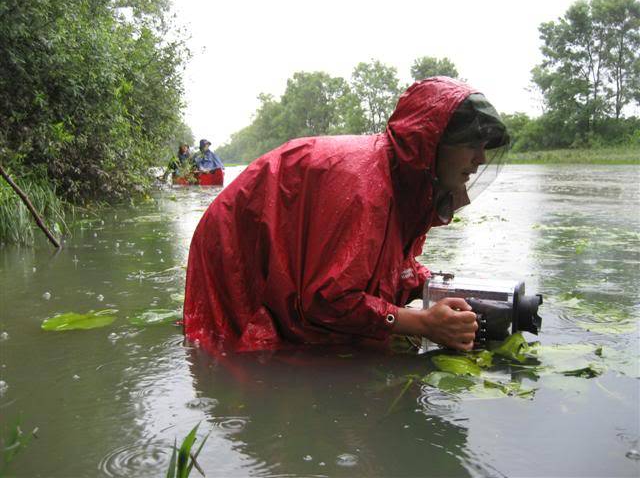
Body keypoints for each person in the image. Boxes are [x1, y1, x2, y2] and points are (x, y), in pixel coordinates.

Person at [184, 77, 510, 354]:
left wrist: (432, 286)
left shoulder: (404, 182)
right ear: (433, 142)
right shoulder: (365, 189)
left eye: (484, 147)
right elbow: (327, 300)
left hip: (265, 230)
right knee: (243, 352)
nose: (480, 158)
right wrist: (421, 323)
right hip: (234, 245)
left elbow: (385, 262)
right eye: (471, 144)